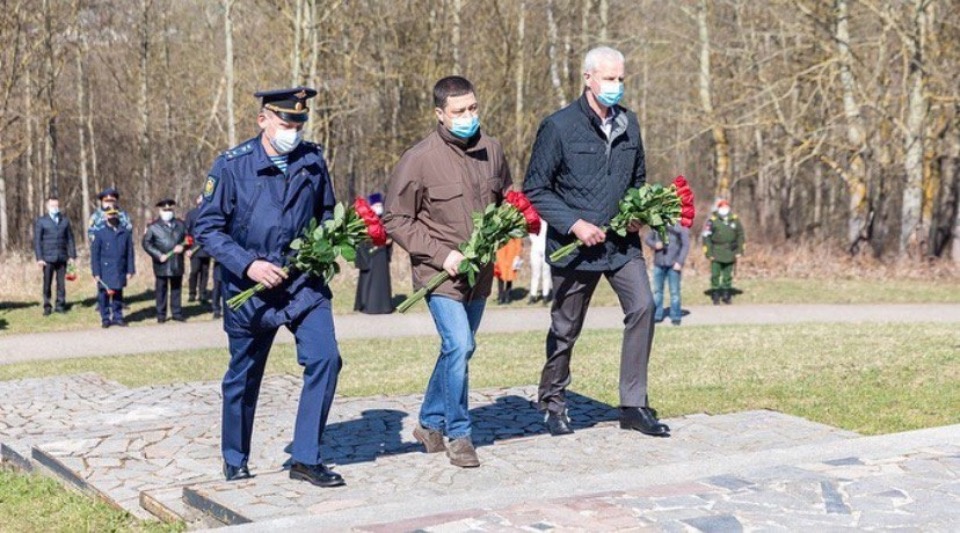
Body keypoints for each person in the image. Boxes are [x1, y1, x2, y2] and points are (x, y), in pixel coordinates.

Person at [195, 86, 345, 487]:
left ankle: (306, 458)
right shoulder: (232, 166)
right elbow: (206, 228)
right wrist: (249, 265)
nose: (293, 130)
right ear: (263, 120)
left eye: (299, 123)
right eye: (285, 122)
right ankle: (235, 457)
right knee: (244, 376)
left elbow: (326, 212)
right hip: (251, 291)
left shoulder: (312, 160)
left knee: (326, 358)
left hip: (302, 284)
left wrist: (324, 245)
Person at [523, 46, 669, 438]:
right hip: (575, 249)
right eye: (609, 78)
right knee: (566, 328)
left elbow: (638, 180)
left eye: (620, 79)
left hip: (621, 246)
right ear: (588, 78)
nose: (616, 86)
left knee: (644, 306)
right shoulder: (558, 126)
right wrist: (574, 224)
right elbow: (535, 188)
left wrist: (638, 212)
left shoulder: (629, 123)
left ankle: (633, 405)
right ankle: (552, 402)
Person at [383, 76, 511, 468]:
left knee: (458, 348)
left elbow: (507, 200)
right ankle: (459, 434)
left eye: (473, 108)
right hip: (439, 275)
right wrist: (442, 255)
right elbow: (395, 219)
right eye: (459, 111)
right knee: (460, 345)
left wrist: (510, 223)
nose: (469, 116)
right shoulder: (419, 159)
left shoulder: (492, 149)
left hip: (480, 274)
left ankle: (428, 422)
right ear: (440, 114)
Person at [142, 199, 188, 323]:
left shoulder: (180, 224)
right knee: (161, 289)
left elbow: (188, 239)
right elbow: (146, 243)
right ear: (160, 211)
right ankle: (161, 314)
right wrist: (158, 255)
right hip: (161, 263)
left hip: (176, 262)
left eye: (169, 209)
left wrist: (183, 248)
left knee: (176, 289)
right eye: (165, 209)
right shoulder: (153, 227)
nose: (167, 211)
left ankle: (177, 313)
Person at [91, 208, 135, 327]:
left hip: (120, 268)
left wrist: (130, 270)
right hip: (104, 269)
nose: (112, 217)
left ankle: (118, 317)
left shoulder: (125, 232)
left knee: (118, 294)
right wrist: (96, 272)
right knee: (103, 295)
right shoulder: (99, 233)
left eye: (114, 214)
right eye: (110, 215)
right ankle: (105, 318)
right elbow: (95, 255)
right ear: (106, 217)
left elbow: (130, 253)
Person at [33, 196, 77, 315]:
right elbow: (37, 241)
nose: (55, 208)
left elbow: (70, 239)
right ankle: (47, 306)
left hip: (62, 257)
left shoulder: (65, 221)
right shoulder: (41, 221)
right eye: (52, 205)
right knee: (47, 283)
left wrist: (72, 255)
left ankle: (60, 305)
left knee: (61, 284)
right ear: (47, 207)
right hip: (47, 258)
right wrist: (39, 258)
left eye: (57, 205)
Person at [353, 193, 393, 314]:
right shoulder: (365, 219)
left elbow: (389, 235)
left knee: (381, 281)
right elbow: (360, 238)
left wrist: (388, 242)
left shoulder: (384, 219)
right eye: (376, 205)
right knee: (369, 281)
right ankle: (368, 305)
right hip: (369, 255)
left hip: (381, 254)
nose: (378, 207)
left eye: (380, 205)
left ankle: (384, 306)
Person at [645, 222, 691, 325]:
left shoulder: (680, 227)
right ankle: (657, 315)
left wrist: (680, 261)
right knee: (657, 292)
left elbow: (686, 245)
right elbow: (647, 239)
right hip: (659, 263)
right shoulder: (657, 224)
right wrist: (655, 244)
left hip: (674, 264)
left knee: (674, 292)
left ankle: (675, 316)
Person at [702, 199, 744, 305]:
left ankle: (726, 294)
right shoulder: (712, 220)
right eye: (722, 206)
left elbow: (740, 235)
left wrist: (739, 250)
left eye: (726, 206)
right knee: (715, 274)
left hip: (730, 251)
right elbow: (706, 237)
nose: (724, 208)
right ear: (718, 208)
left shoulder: (734, 219)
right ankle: (715, 294)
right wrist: (708, 253)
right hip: (716, 251)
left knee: (727, 275)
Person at [185, 195, 214, 305]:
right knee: (194, 271)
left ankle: (202, 293)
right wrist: (187, 248)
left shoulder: (210, 213)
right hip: (194, 249)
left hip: (206, 249)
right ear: (197, 200)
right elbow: (186, 232)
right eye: (200, 198)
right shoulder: (191, 214)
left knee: (205, 272)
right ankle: (192, 293)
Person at [528, 220, 553, 304]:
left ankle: (545, 295)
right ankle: (533, 295)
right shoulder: (534, 221)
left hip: (546, 248)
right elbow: (530, 234)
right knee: (535, 273)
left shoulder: (548, 222)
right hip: (535, 248)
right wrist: (534, 242)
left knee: (546, 273)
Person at [493, 238, 522, 304]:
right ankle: (500, 296)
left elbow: (518, 239)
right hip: (501, 250)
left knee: (510, 275)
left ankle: (507, 296)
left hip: (511, 250)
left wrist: (517, 254)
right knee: (500, 273)